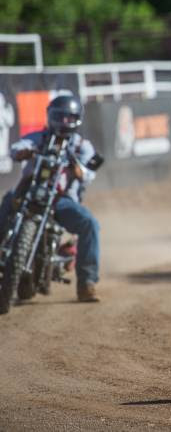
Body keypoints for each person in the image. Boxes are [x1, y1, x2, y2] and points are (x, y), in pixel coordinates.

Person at [0, 95, 101, 302]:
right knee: (7, 201)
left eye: (69, 118)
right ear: (50, 117)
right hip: (28, 192)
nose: (64, 122)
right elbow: (16, 148)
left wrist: (80, 171)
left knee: (90, 223)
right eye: (59, 117)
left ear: (76, 120)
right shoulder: (38, 138)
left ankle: (87, 284)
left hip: (61, 200)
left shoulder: (82, 146)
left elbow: (89, 173)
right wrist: (25, 152)